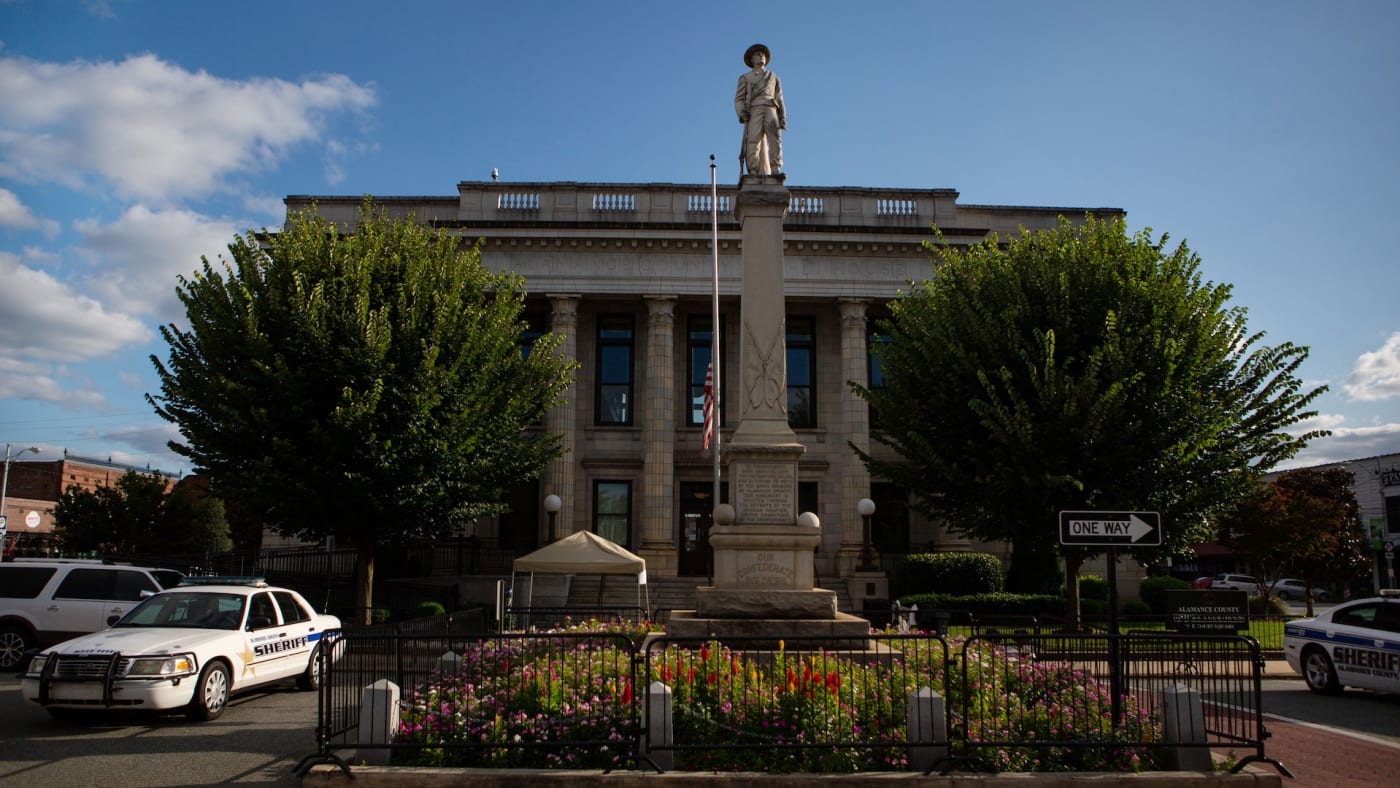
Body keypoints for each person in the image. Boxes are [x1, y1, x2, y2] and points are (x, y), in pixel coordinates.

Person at [734, 44, 785, 176]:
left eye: (763, 54)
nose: (761, 55)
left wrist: (783, 117)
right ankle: (754, 170)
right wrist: (742, 112)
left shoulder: (773, 77)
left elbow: (779, 98)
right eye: (757, 54)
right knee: (753, 140)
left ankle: (775, 169)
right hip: (754, 109)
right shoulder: (746, 77)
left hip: (771, 108)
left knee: (775, 138)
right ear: (752, 59)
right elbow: (739, 99)